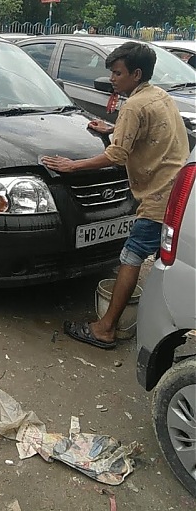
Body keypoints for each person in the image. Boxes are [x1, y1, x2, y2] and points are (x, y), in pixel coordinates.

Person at [41, 41, 189, 349]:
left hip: (158, 198)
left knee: (131, 256)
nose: (112, 79)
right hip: (180, 195)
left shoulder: (134, 105)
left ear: (136, 74)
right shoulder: (157, 95)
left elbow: (117, 155)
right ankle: (159, 320)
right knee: (165, 260)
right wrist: (112, 127)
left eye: (117, 73)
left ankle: (106, 328)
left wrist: (73, 165)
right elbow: (146, 133)